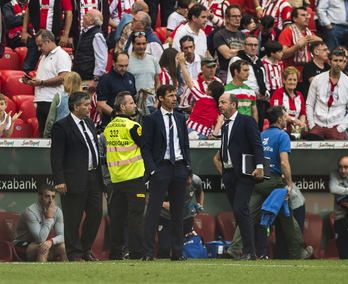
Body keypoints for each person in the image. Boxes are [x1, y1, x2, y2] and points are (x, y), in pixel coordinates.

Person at [221, 106, 312, 260]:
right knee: (287, 216)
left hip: (257, 180)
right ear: (279, 119)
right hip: (274, 182)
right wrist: (288, 185)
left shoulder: (261, 134)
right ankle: (298, 252)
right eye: (284, 116)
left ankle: (234, 249)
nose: (286, 119)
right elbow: (284, 162)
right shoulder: (283, 136)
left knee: (247, 216)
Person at [50, 91, 104, 261]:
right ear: (76, 107)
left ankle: (85, 249)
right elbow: (56, 156)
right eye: (87, 105)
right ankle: (74, 254)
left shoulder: (89, 122)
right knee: (73, 218)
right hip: (74, 178)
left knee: (96, 213)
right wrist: (59, 181)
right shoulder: (62, 126)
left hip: (94, 176)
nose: (90, 108)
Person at [141, 84, 191, 261]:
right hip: (160, 168)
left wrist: (187, 166)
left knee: (178, 213)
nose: (174, 98)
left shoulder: (180, 118)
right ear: (161, 98)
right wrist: (153, 169)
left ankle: (177, 253)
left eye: (175, 96)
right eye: (170, 96)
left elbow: (185, 144)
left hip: (179, 167)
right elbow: (145, 146)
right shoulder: (151, 119)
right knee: (153, 211)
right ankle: (147, 253)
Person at [215, 92, 264, 261]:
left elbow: (256, 144)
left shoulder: (246, 120)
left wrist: (259, 166)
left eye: (223, 102)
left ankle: (250, 251)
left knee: (240, 210)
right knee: (240, 212)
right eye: (219, 102)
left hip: (244, 173)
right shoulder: (225, 124)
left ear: (233, 105)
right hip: (229, 174)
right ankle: (245, 251)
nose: (220, 105)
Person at [104, 91, 145, 260]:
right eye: (131, 103)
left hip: (115, 179)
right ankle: (135, 253)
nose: (135, 106)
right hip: (134, 177)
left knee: (117, 219)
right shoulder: (133, 127)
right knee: (135, 217)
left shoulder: (109, 127)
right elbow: (146, 148)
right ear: (122, 106)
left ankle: (115, 253)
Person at [21, 29, 71, 137]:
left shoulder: (61, 55)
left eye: (40, 45)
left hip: (53, 101)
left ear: (48, 41)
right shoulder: (44, 56)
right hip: (42, 100)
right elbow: (45, 77)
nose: (39, 49)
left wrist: (42, 82)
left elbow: (64, 78)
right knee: (44, 135)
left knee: (53, 135)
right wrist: (31, 81)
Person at [12, 183, 68, 262]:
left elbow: (62, 236)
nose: (51, 201)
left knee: (63, 247)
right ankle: (42, 274)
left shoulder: (57, 211)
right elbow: (40, 239)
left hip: (42, 243)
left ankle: (65, 274)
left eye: (53, 197)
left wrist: (51, 241)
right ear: (40, 197)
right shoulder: (31, 212)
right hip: (21, 245)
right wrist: (49, 217)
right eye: (47, 196)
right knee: (43, 248)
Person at [157, 170, 204, 258]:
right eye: (186, 179)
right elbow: (149, 200)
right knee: (164, 249)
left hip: (185, 217)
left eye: (191, 178)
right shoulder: (169, 183)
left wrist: (200, 204)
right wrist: (163, 204)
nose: (189, 181)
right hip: (166, 217)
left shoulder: (196, 181)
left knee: (185, 248)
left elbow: (200, 192)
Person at [227, 35, 268, 131]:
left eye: (255, 45)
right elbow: (230, 81)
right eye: (250, 45)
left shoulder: (259, 62)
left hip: (258, 102)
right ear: (243, 46)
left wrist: (265, 94)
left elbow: (264, 83)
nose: (253, 48)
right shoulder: (237, 60)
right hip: (242, 102)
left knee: (257, 132)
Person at [178, 53, 224, 139]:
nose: (212, 70)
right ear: (202, 68)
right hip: (205, 133)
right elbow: (220, 119)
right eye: (209, 67)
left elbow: (188, 81)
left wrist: (182, 64)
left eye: (214, 67)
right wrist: (214, 135)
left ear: (209, 91)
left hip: (191, 129)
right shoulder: (219, 106)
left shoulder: (202, 97)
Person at [306, 48, 348, 140]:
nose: (338, 63)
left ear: (345, 63)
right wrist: (312, 124)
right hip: (317, 125)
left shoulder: (347, 82)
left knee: (338, 155)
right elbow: (309, 103)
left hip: (336, 126)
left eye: (341, 61)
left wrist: (341, 128)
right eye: (335, 60)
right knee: (313, 154)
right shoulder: (318, 79)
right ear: (329, 62)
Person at [20, 0, 72, 73]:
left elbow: (69, 14)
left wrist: (65, 35)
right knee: (28, 66)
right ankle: (28, 83)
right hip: (36, 35)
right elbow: (29, 10)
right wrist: (24, 31)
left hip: (54, 36)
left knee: (55, 65)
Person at [278, 7, 322, 93]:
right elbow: (282, 55)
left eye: (307, 15)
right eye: (303, 15)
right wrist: (298, 45)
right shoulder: (287, 32)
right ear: (295, 19)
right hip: (292, 78)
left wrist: (320, 41)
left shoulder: (311, 34)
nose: (307, 17)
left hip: (308, 77)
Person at [72, 9, 108, 97]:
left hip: (88, 81)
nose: (83, 16)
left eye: (86, 15)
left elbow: (101, 59)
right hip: (81, 78)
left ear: (92, 21)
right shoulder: (85, 33)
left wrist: (95, 79)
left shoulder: (97, 35)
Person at [97, 51, 137, 128]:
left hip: (130, 123)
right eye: (121, 66)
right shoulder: (105, 79)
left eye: (126, 65)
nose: (124, 68)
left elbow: (134, 97)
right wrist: (118, 116)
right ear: (113, 63)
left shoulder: (130, 77)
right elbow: (101, 104)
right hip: (112, 123)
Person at [127, 32, 161, 113]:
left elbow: (157, 83)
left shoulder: (153, 60)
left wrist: (157, 102)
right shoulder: (127, 60)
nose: (141, 47)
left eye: (143, 44)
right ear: (133, 44)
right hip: (134, 105)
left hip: (152, 105)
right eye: (138, 44)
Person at [213, 4, 246, 84]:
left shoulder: (243, 35)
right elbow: (227, 54)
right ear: (227, 18)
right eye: (234, 16)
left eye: (239, 16)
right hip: (226, 72)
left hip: (242, 72)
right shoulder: (219, 35)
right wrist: (243, 50)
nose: (237, 19)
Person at [43, 72, 82, 138]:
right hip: (78, 134)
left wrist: (46, 135)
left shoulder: (59, 96)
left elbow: (51, 119)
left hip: (60, 133)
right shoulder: (83, 98)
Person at [329, 156, 348, 259]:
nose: (343, 170)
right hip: (340, 217)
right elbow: (333, 189)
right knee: (343, 251)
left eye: (346, 167)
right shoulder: (335, 174)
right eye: (340, 167)